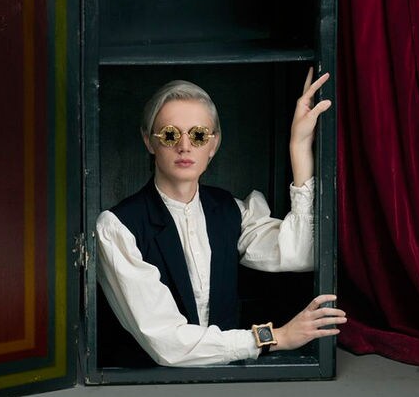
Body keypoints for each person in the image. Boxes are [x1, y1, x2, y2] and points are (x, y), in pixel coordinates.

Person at [96, 70, 346, 367]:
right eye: (170, 134)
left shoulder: (231, 211)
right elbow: (167, 344)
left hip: (227, 383)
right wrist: (275, 337)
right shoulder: (117, 227)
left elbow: (301, 254)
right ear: (149, 141)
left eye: (199, 135)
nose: (185, 146)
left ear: (213, 145)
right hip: (145, 385)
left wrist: (299, 147)